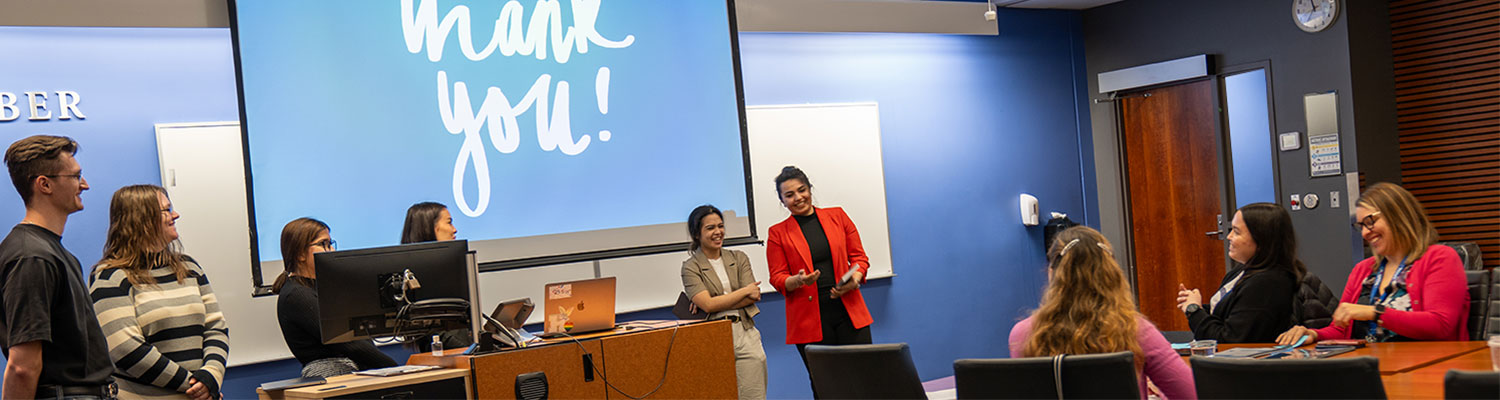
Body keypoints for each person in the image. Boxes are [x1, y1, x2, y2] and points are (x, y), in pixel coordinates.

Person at [1009, 226, 1196, 400]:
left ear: (1052, 273)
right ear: (1112, 273)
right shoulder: (1135, 330)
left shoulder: (1023, 334)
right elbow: (1193, 395)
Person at [1277, 183, 1469, 344]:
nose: (1365, 233)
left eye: (1370, 221)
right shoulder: (1363, 270)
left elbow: (1440, 325)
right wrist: (1314, 334)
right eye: (1361, 226)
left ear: (1399, 215)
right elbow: (1341, 330)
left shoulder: (1439, 258)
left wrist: (1375, 313)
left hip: (1427, 369)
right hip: (1372, 367)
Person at [0, 135, 115, 399]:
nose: (84, 184)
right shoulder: (31, 257)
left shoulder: (54, 253)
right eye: (75, 176)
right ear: (44, 184)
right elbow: (22, 367)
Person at [89, 185, 228, 400]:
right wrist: (194, 385)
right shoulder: (111, 277)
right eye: (167, 210)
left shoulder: (190, 268)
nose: (176, 215)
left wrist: (211, 376)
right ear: (142, 220)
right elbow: (126, 349)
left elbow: (215, 329)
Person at [764, 166, 873, 396]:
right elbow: (777, 277)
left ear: (810, 189)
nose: (798, 198)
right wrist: (798, 280)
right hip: (809, 319)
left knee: (862, 377)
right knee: (826, 385)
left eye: (801, 190)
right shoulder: (777, 233)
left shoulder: (838, 216)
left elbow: (859, 258)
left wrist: (855, 277)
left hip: (849, 309)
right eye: (789, 195)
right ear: (782, 201)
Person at [274, 217, 397, 378]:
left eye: (331, 244)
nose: (331, 250)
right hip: (331, 372)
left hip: (353, 369)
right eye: (323, 244)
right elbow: (348, 342)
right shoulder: (297, 295)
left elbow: (358, 337)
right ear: (300, 254)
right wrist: (395, 369)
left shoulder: (321, 289)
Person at [1175, 202, 1303, 343]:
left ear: (1261, 239)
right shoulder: (1242, 270)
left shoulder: (1266, 283)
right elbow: (1227, 312)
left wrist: (1194, 311)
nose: (1229, 236)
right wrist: (1194, 304)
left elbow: (1229, 341)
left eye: (1236, 232)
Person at [680, 205, 767, 399]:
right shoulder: (690, 267)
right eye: (710, 228)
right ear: (696, 234)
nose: (718, 232)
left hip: (745, 332)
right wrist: (743, 291)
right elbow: (709, 306)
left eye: (720, 226)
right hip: (713, 336)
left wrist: (716, 301)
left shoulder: (739, 257)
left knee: (754, 396)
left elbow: (754, 297)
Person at [399, 201, 469, 352]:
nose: (454, 230)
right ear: (429, 227)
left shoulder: (454, 268)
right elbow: (434, 334)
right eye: (449, 223)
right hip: (447, 355)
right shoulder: (411, 279)